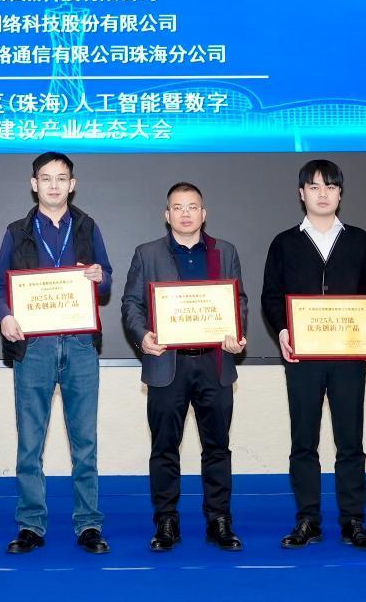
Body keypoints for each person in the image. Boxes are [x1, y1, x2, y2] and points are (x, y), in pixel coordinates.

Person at [0, 151, 113, 555]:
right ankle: (30, 525)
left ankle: (89, 524)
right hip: (35, 347)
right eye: (46, 178)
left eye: (61, 178)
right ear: (34, 184)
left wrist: (99, 276)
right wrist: (5, 316)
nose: (54, 185)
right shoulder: (17, 231)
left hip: (80, 345)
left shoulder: (88, 226)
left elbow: (106, 281)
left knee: (85, 443)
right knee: (30, 444)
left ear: (72, 185)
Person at [261, 159, 366, 550]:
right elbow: (271, 295)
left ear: (340, 194)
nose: (322, 194)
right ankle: (308, 519)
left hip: (349, 357)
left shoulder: (358, 239)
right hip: (303, 358)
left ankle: (353, 520)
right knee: (304, 441)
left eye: (330, 187)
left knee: (350, 441)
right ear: (302, 193)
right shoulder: (284, 242)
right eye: (314, 187)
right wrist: (283, 331)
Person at [121, 181, 247, 552]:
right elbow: (131, 304)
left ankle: (219, 520)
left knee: (217, 447)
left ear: (203, 214)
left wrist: (237, 334)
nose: (186, 214)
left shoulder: (224, 251)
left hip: (214, 362)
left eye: (192, 207)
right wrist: (143, 336)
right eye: (178, 207)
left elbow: (238, 300)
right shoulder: (147, 253)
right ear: (167, 215)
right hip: (166, 364)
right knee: (164, 448)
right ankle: (166, 521)